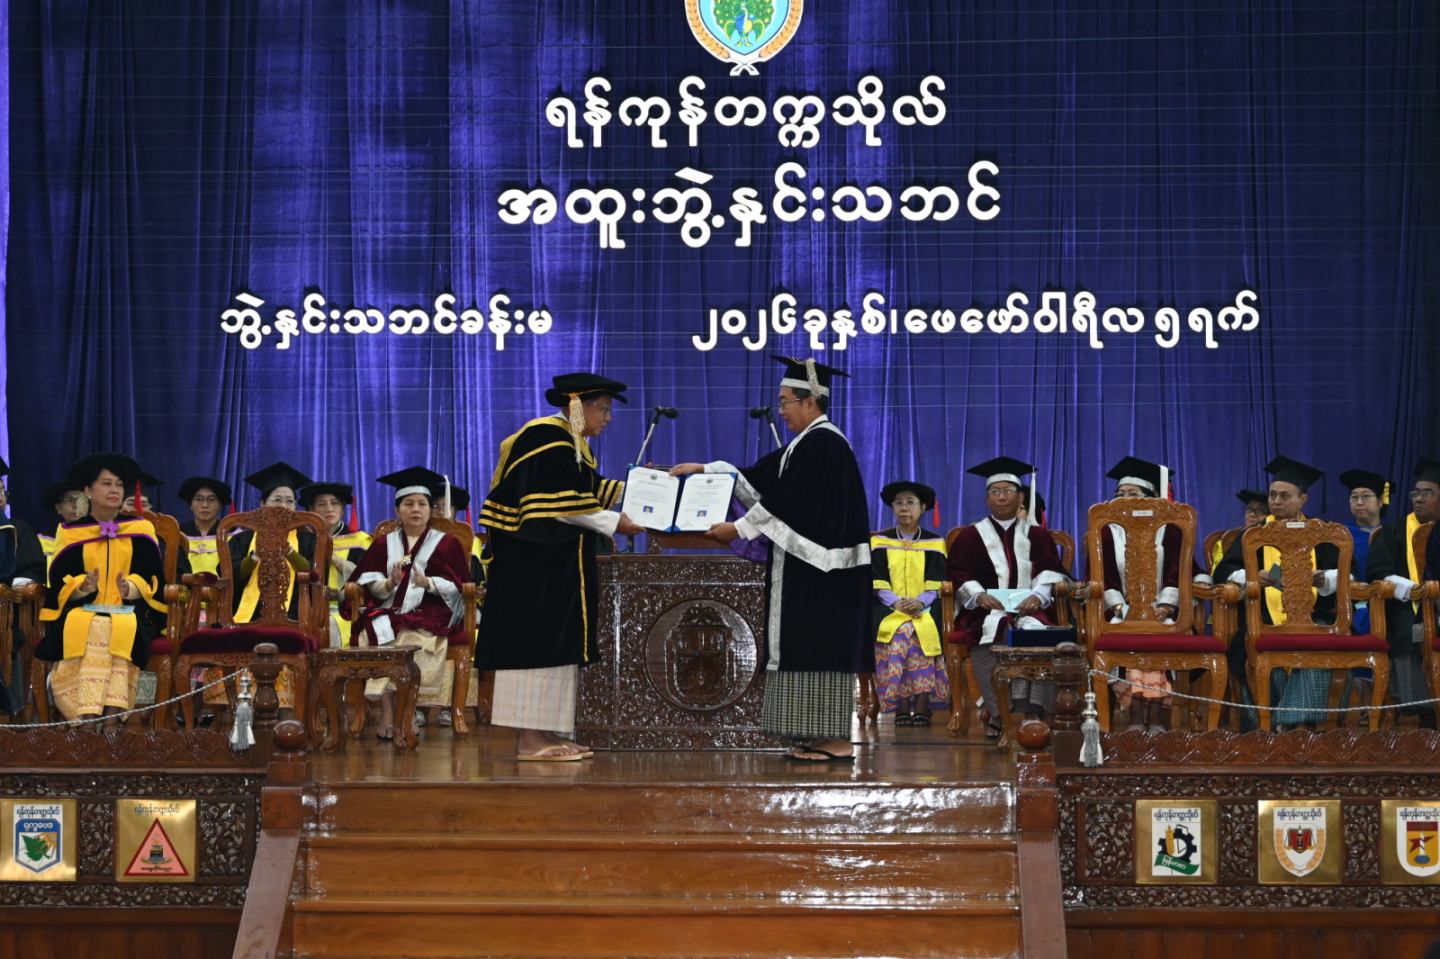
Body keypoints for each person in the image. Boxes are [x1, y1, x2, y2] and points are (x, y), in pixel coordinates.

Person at [672, 356, 872, 762]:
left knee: (821, 647)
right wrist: (706, 470)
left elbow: (788, 500)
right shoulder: (807, 443)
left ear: (809, 401)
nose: (780, 410)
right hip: (811, 570)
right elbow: (761, 477)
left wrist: (739, 528)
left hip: (826, 573)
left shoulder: (824, 443)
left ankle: (835, 740)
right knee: (805, 646)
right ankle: (817, 736)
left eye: (784, 401)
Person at [477, 373, 644, 762]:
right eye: (603, 409)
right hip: (532, 572)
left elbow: (589, 489)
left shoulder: (569, 444)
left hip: (553, 568)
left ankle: (545, 732)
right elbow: (562, 503)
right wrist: (614, 522)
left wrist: (646, 485)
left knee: (555, 646)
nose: (608, 418)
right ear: (577, 406)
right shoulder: (546, 438)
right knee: (534, 647)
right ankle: (529, 741)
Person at [945, 456, 1069, 739]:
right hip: (986, 609)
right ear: (987, 498)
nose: (1001, 497)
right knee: (993, 629)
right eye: (995, 491)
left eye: (1007, 491)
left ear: (1021, 497)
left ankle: (1032, 712)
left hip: (1031, 609)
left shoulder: (1037, 535)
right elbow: (958, 572)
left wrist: (1038, 596)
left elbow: (1051, 570)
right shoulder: (971, 535)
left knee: (1039, 633)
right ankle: (1000, 713)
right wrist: (978, 595)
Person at [37, 453, 166, 723]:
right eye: (106, 484)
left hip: (131, 611)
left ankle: (107, 717)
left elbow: (153, 576)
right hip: (81, 610)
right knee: (95, 623)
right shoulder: (71, 532)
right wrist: (82, 586)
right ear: (88, 490)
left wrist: (130, 587)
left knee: (115, 625)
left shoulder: (141, 529)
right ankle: (91, 715)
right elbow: (59, 581)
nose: (114, 490)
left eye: (119, 485)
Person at [1213, 455, 1339, 730]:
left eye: (1285, 496)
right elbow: (1222, 572)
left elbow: (1348, 574)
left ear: (1303, 499)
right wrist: (1250, 576)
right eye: (1273, 495)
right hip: (1260, 620)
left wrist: (1325, 579)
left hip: (1313, 619)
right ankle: (1284, 727)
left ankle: (1288, 726)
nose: (1276, 501)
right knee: (1255, 650)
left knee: (1317, 645)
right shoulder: (1253, 535)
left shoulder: (1321, 534)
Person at [344, 468, 469, 738]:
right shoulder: (382, 544)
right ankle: (388, 712)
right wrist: (389, 583)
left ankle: (407, 710)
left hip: (431, 612)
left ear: (430, 510)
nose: (415, 510)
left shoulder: (447, 544)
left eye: (422, 504)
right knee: (374, 632)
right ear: (397, 510)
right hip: (389, 609)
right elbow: (367, 582)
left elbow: (460, 587)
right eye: (408, 504)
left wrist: (429, 583)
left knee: (411, 637)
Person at [1098, 456, 1186, 731]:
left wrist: (1166, 606)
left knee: (1156, 634)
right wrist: (1120, 607)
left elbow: (1178, 571)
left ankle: (1154, 716)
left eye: (1133, 494)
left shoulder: (1170, 530)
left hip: (1163, 612)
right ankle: (1138, 717)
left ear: (1150, 498)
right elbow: (1103, 577)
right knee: (1130, 635)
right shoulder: (1106, 531)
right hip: (1121, 612)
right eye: (1120, 495)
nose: (1125, 500)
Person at [870, 481, 949, 726]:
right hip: (888, 608)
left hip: (925, 607)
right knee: (900, 632)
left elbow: (936, 581)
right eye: (898, 503)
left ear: (923, 508)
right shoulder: (880, 541)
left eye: (910, 503)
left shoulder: (934, 542)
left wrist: (920, 602)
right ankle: (901, 705)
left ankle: (923, 706)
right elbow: (877, 580)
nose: (904, 508)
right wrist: (896, 603)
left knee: (918, 633)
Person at [299, 481, 372, 647]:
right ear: (311, 510)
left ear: (343, 509)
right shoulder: (302, 539)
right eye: (321, 504)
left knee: (331, 625)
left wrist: (331, 554)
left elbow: (365, 580)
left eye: (335, 503)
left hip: (344, 609)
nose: (329, 509)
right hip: (305, 608)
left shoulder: (359, 540)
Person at [0, 459, 47, 714]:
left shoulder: (16, 529)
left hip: (8, 610)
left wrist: (10, 587)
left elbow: (32, 570)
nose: (0, 496)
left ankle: (10, 708)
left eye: (1, 490)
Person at [177, 476, 232, 576]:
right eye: (199, 499)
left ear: (220, 505)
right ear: (191, 505)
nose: (205, 505)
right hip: (184, 585)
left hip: (222, 585)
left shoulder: (232, 533)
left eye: (211, 499)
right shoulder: (178, 533)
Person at [1208, 489, 1269, 573]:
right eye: (1250, 509)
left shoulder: (1274, 537)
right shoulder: (1237, 538)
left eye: (1261, 511)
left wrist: (1273, 576)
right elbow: (1223, 570)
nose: (1252, 514)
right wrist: (1252, 577)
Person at [38, 480, 88, 563]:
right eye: (69, 500)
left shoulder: (101, 534)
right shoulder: (46, 541)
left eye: (81, 501)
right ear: (58, 508)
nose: (76, 506)